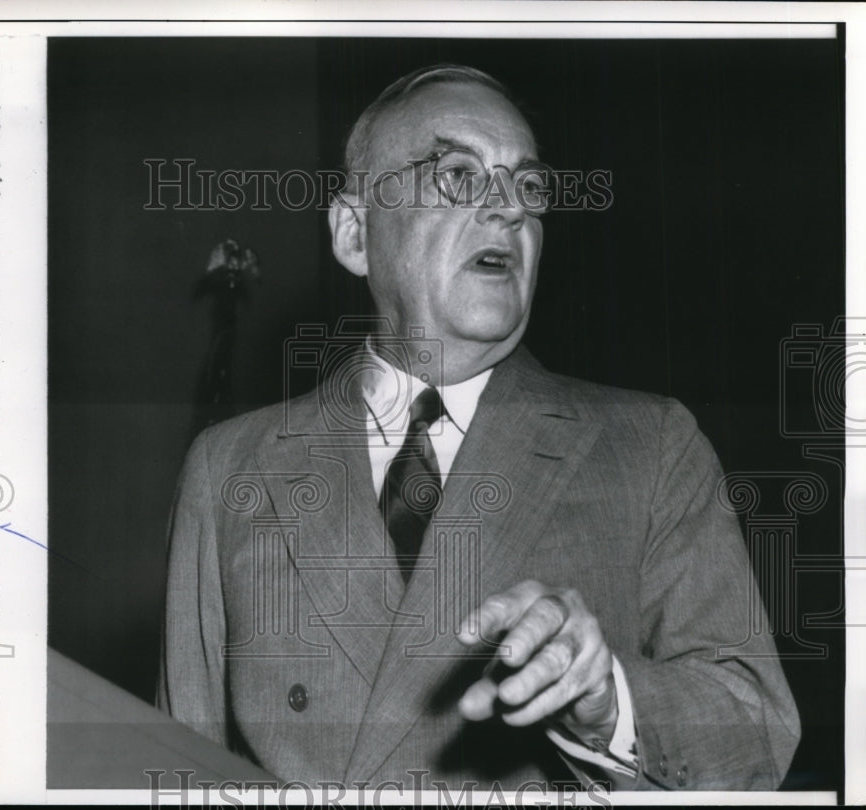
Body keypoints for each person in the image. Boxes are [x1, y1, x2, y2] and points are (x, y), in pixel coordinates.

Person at [158, 64, 800, 791]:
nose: (509, 213)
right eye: (459, 175)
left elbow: (756, 735)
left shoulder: (650, 446)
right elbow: (178, 766)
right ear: (354, 233)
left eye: (529, 187)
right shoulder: (229, 468)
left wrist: (609, 703)